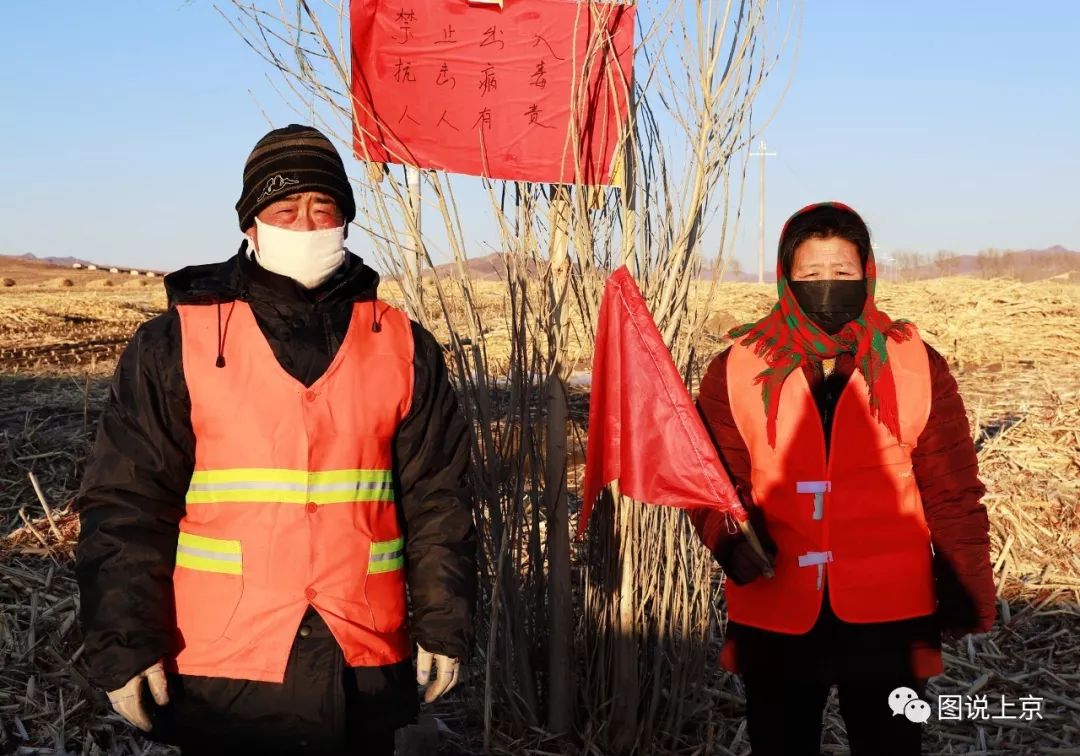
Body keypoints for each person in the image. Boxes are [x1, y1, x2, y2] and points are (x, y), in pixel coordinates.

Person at [75, 124, 477, 755]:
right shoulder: (176, 343)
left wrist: (445, 624)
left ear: (345, 220)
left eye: (323, 209)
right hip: (221, 670)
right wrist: (125, 641)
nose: (305, 223)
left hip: (364, 661)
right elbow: (126, 504)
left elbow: (440, 501)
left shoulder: (403, 346)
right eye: (284, 209)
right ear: (250, 225)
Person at [691, 202, 995, 755]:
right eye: (810, 275)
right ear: (786, 278)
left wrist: (965, 585)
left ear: (868, 273)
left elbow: (953, 488)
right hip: (777, 605)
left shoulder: (915, 363)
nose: (827, 287)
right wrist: (729, 539)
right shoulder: (735, 366)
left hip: (890, 612)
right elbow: (710, 478)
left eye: (842, 274)